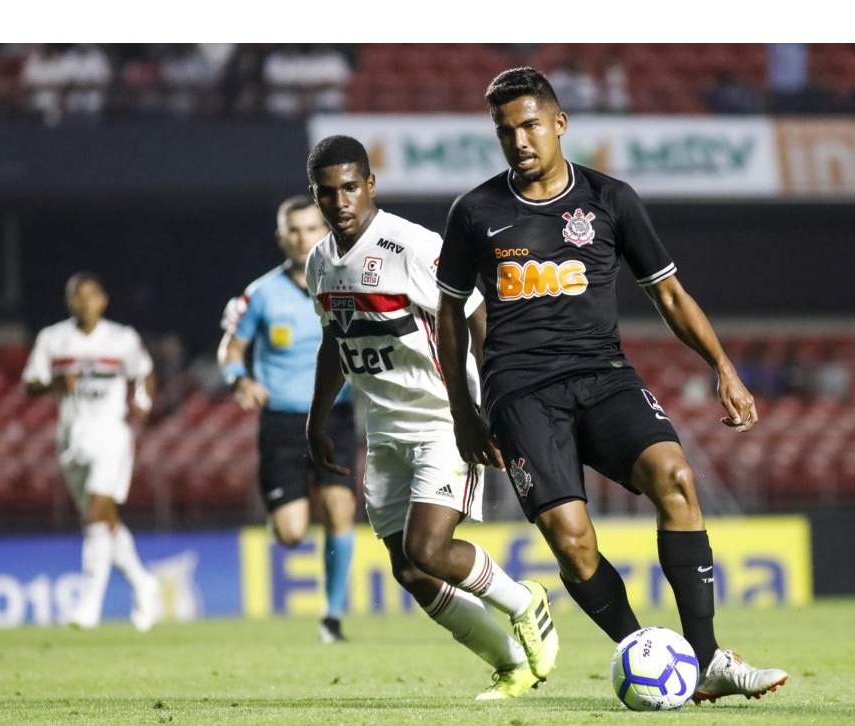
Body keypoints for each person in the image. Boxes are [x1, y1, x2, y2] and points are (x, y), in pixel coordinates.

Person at [435, 67, 789, 705]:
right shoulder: (474, 212)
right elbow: (450, 315)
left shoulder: (610, 199)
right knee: (572, 544)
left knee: (676, 478)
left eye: (531, 125)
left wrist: (723, 366)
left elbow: (670, 295)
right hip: (521, 394)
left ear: (560, 124)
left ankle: (705, 659)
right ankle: (646, 653)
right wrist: (465, 411)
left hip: (603, 376)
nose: (519, 140)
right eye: (505, 130)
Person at [303, 134, 559, 700]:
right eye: (328, 193)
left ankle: (526, 602)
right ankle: (510, 663)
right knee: (412, 572)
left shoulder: (411, 246)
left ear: (370, 185)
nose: (340, 200)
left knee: (428, 549)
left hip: (444, 422)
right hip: (385, 431)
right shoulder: (319, 262)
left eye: (350, 187)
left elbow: (474, 313)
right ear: (316, 198)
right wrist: (316, 419)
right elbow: (332, 343)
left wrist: (487, 404)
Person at [217, 195, 358, 644]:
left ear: (326, 232)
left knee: (341, 511)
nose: (302, 238)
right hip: (281, 422)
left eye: (311, 229)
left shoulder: (350, 283)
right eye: (293, 230)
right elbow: (230, 349)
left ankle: (332, 617)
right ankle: (290, 514)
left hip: (335, 415)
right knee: (292, 534)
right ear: (281, 237)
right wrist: (240, 380)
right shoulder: (260, 295)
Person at [21, 271, 160, 631]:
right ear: (69, 302)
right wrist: (54, 382)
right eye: (77, 296)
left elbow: (144, 373)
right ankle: (143, 581)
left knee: (98, 512)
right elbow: (29, 384)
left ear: (104, 299)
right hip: (72, 437)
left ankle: (89, 605)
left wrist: (142, 404)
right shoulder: (53, 339)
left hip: (111, 434)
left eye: (91, 295)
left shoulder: (121, 338)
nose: (85, 302)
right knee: (102, 519)